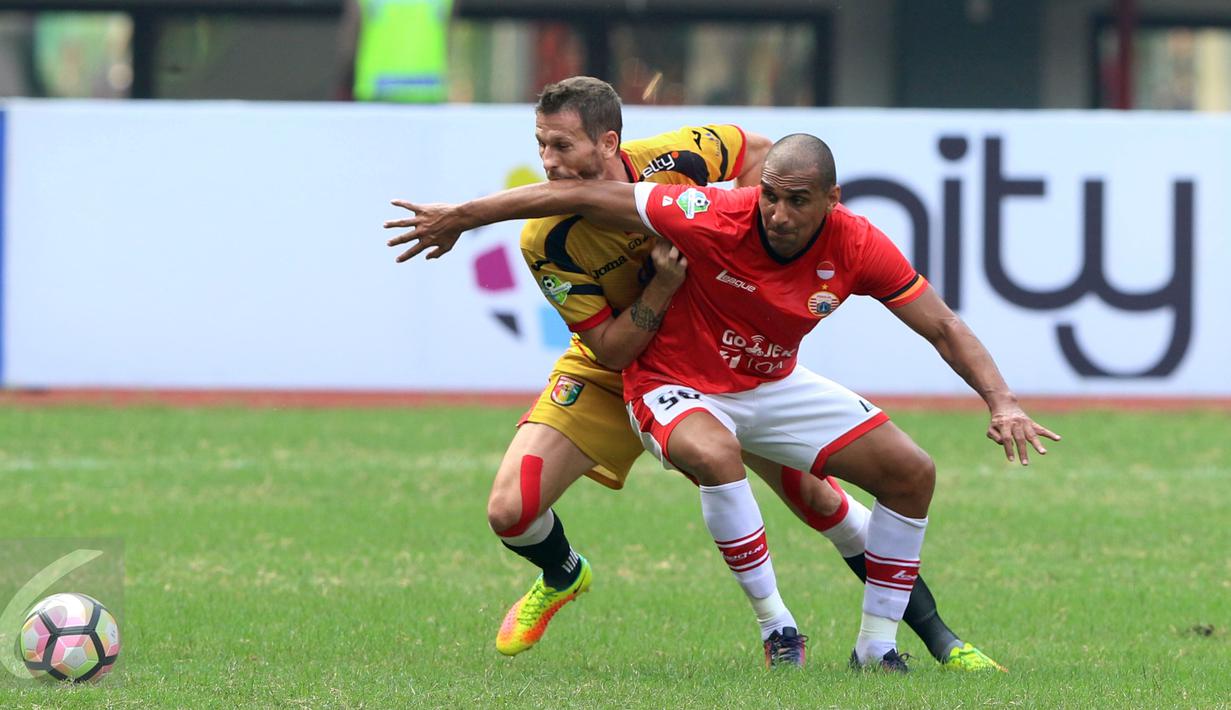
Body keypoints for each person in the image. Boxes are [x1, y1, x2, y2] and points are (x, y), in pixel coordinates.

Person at [388, 77, 1021, 671]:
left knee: (829, 496)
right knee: (511, 510)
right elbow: (609, 347)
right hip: (627, 365)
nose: (549, 160)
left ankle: (917, 640)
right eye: (541, 146)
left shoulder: (680, 168)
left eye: (562, 144)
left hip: (739, 362)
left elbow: (764, 153)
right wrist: (666, 283)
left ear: (609, 143)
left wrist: (745, 225)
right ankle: (565, 574)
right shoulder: (546, 240)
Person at [337, 0, 452, 103]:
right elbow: (450, 34)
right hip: (428, 88)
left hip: (377, 88)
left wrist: (344, 82)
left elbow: (351, 38)